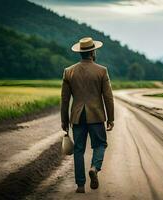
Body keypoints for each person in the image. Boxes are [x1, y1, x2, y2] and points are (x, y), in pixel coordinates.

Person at [61, 37, 114, 193]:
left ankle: (80, 185)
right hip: (96, 115)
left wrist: (64, 120)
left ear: (81, 53)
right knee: (100, 144)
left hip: (77, 116)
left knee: (78, 149)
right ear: (93, 52)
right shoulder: (102, 71)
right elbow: (108, 97)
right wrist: (111, 118)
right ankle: (94, 168)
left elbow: (64, 99)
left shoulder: (68, 71)